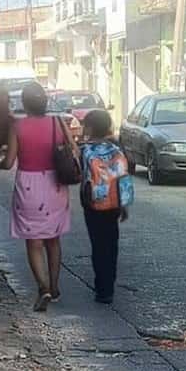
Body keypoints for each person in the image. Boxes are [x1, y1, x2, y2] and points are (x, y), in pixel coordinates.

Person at [0, 81, 72, 312]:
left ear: (25, 103)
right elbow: (73, 150)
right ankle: (55, 286)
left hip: (29, 185)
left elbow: (9, 162)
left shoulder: (18, 127)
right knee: (53, 238)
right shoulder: (57, 122)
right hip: (55, 186)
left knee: (34, 240)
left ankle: (43, 287)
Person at [79, 108, 130, 305]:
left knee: (98, 244)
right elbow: (123, 178)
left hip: (92, 204)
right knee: (111, 242)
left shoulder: (85, 151)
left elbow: (80, 176)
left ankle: (102, 288)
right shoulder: (116, 150)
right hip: (114, 203)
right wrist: (124, 205)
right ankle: (110, 283)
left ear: (89, 128)